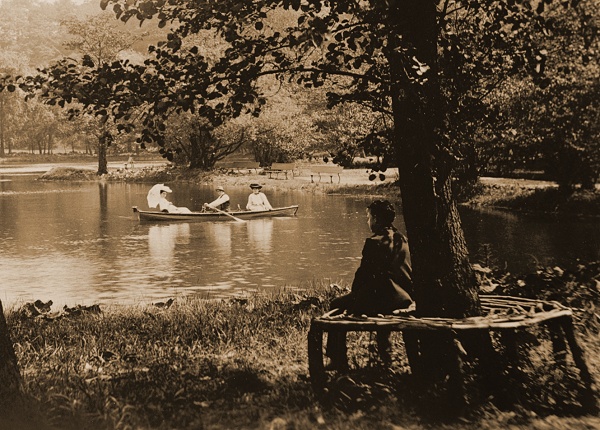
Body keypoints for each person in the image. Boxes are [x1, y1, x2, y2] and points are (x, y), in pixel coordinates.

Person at [326, 199, 413, 370]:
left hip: (383, 301)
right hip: (404, 298)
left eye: (369, 217)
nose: (368, 222)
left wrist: (355, 298)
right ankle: (385, 356)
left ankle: (337, 360)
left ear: (376, 219)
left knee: (336, 305)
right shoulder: (401, 239)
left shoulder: (374, 242)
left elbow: (362, 276)